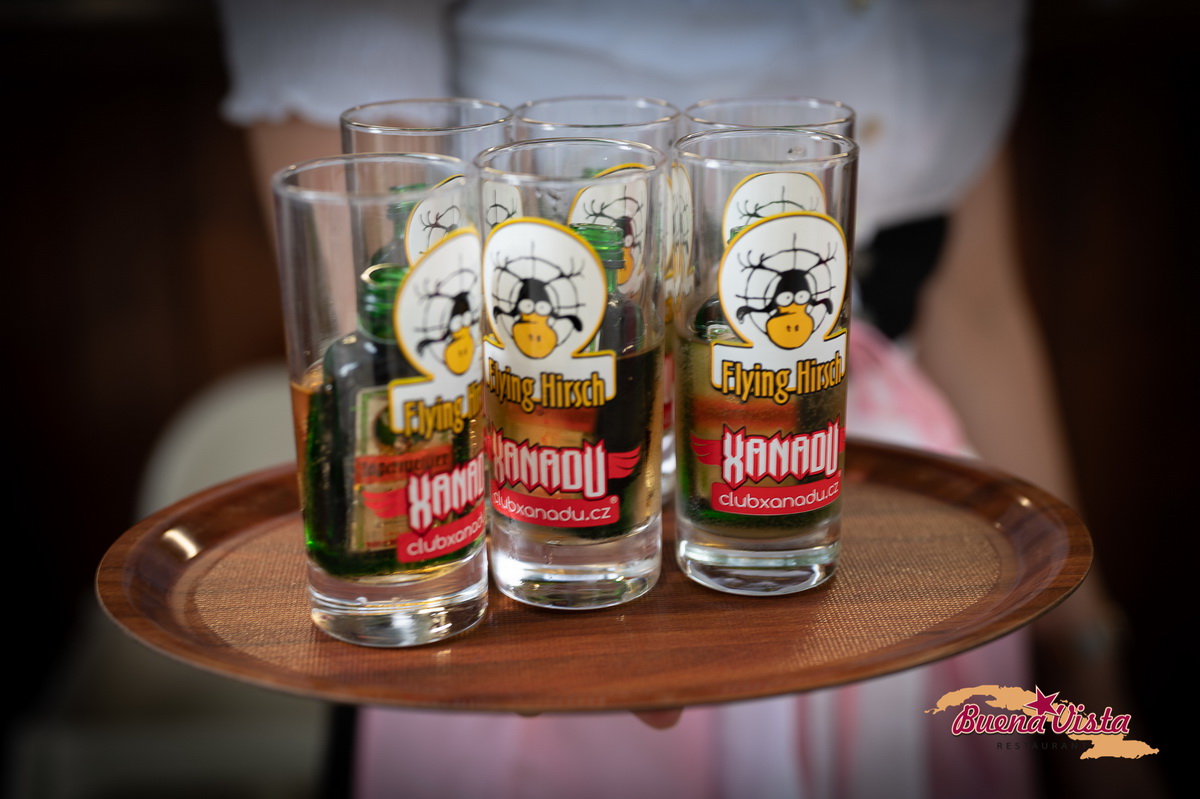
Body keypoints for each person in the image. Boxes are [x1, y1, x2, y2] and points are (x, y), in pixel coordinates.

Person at [215, 1, 1135, 796]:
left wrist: (1084, 649)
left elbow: (976, 307)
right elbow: (371, 249)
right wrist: (455, 547)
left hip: (881, 547)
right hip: (543, 497)